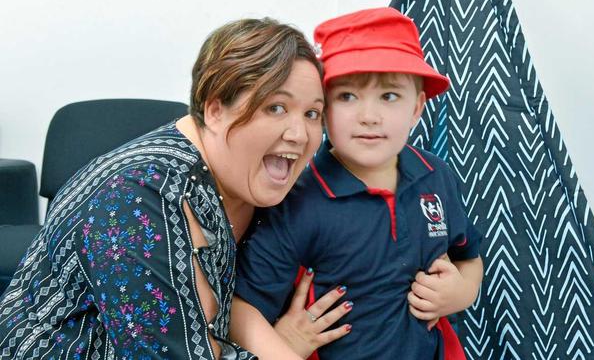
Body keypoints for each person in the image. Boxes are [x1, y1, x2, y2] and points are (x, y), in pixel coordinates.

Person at [0, 18, 348, 359]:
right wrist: (279, 348)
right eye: (276, 107)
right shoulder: (137, 197)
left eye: (313, 114)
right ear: (214, 110)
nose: (300, 135)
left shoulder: (257, 182)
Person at [232, 7, 484, 359]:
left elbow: (468, 253)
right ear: (323, 109)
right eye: (347, 96)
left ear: (416, 108)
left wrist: (464, 292)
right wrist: (283, 346)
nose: (369, 116)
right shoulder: (297, 200)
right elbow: (243, 307)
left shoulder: (436, 175)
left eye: (389, 96)